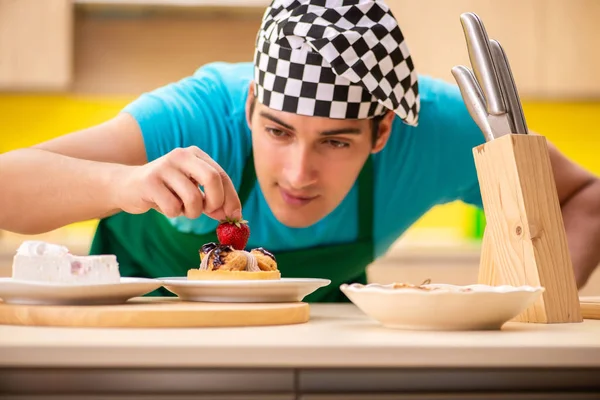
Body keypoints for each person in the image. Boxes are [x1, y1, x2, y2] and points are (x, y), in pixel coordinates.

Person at [1, 0, 599, 301]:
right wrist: (120, 184)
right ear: (252, 103)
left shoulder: (439, 128)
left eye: (336, 141)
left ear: (383, 132)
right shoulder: (198, 113)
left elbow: (586, 197)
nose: (297, 173)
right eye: (279, 130)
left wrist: (529, 315)